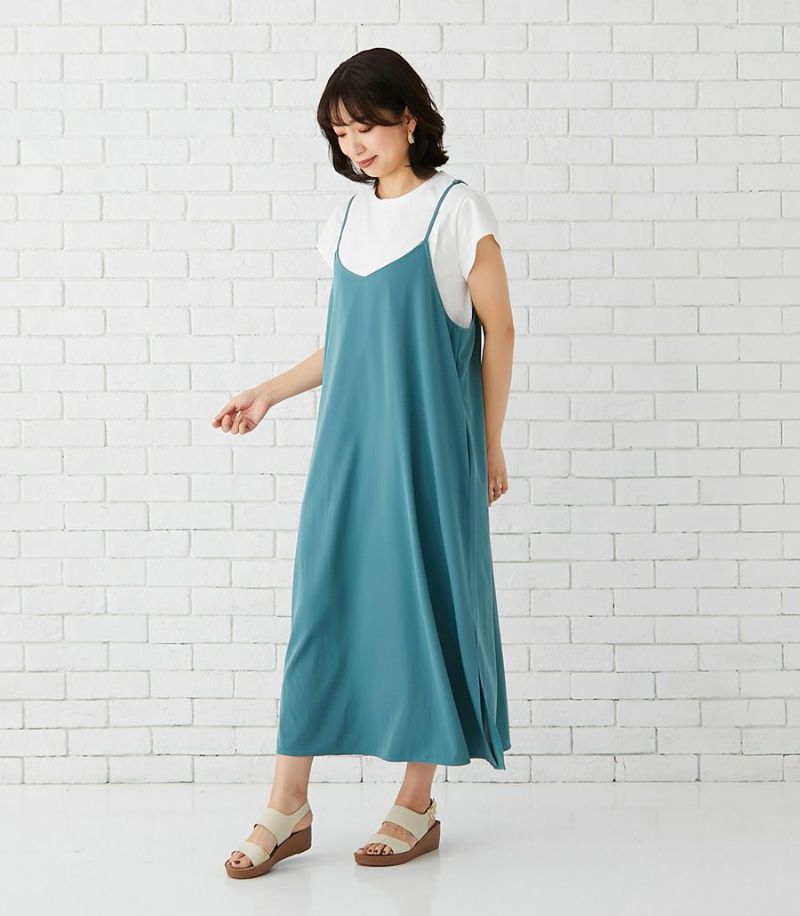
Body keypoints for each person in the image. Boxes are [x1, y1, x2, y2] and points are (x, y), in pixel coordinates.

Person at [213, 47, 515, 877]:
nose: (354, 145)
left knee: (425, 608)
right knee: (322, 608)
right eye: (340, 133)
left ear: (408, 118)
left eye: (366, 127)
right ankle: (288, 804)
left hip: (430, 450)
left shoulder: (457, 210)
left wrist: (489, 442)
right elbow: (348, 345)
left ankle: (415, 803)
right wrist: (269, 392)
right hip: (347, 450)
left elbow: (499, 332)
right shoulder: (343, 223)